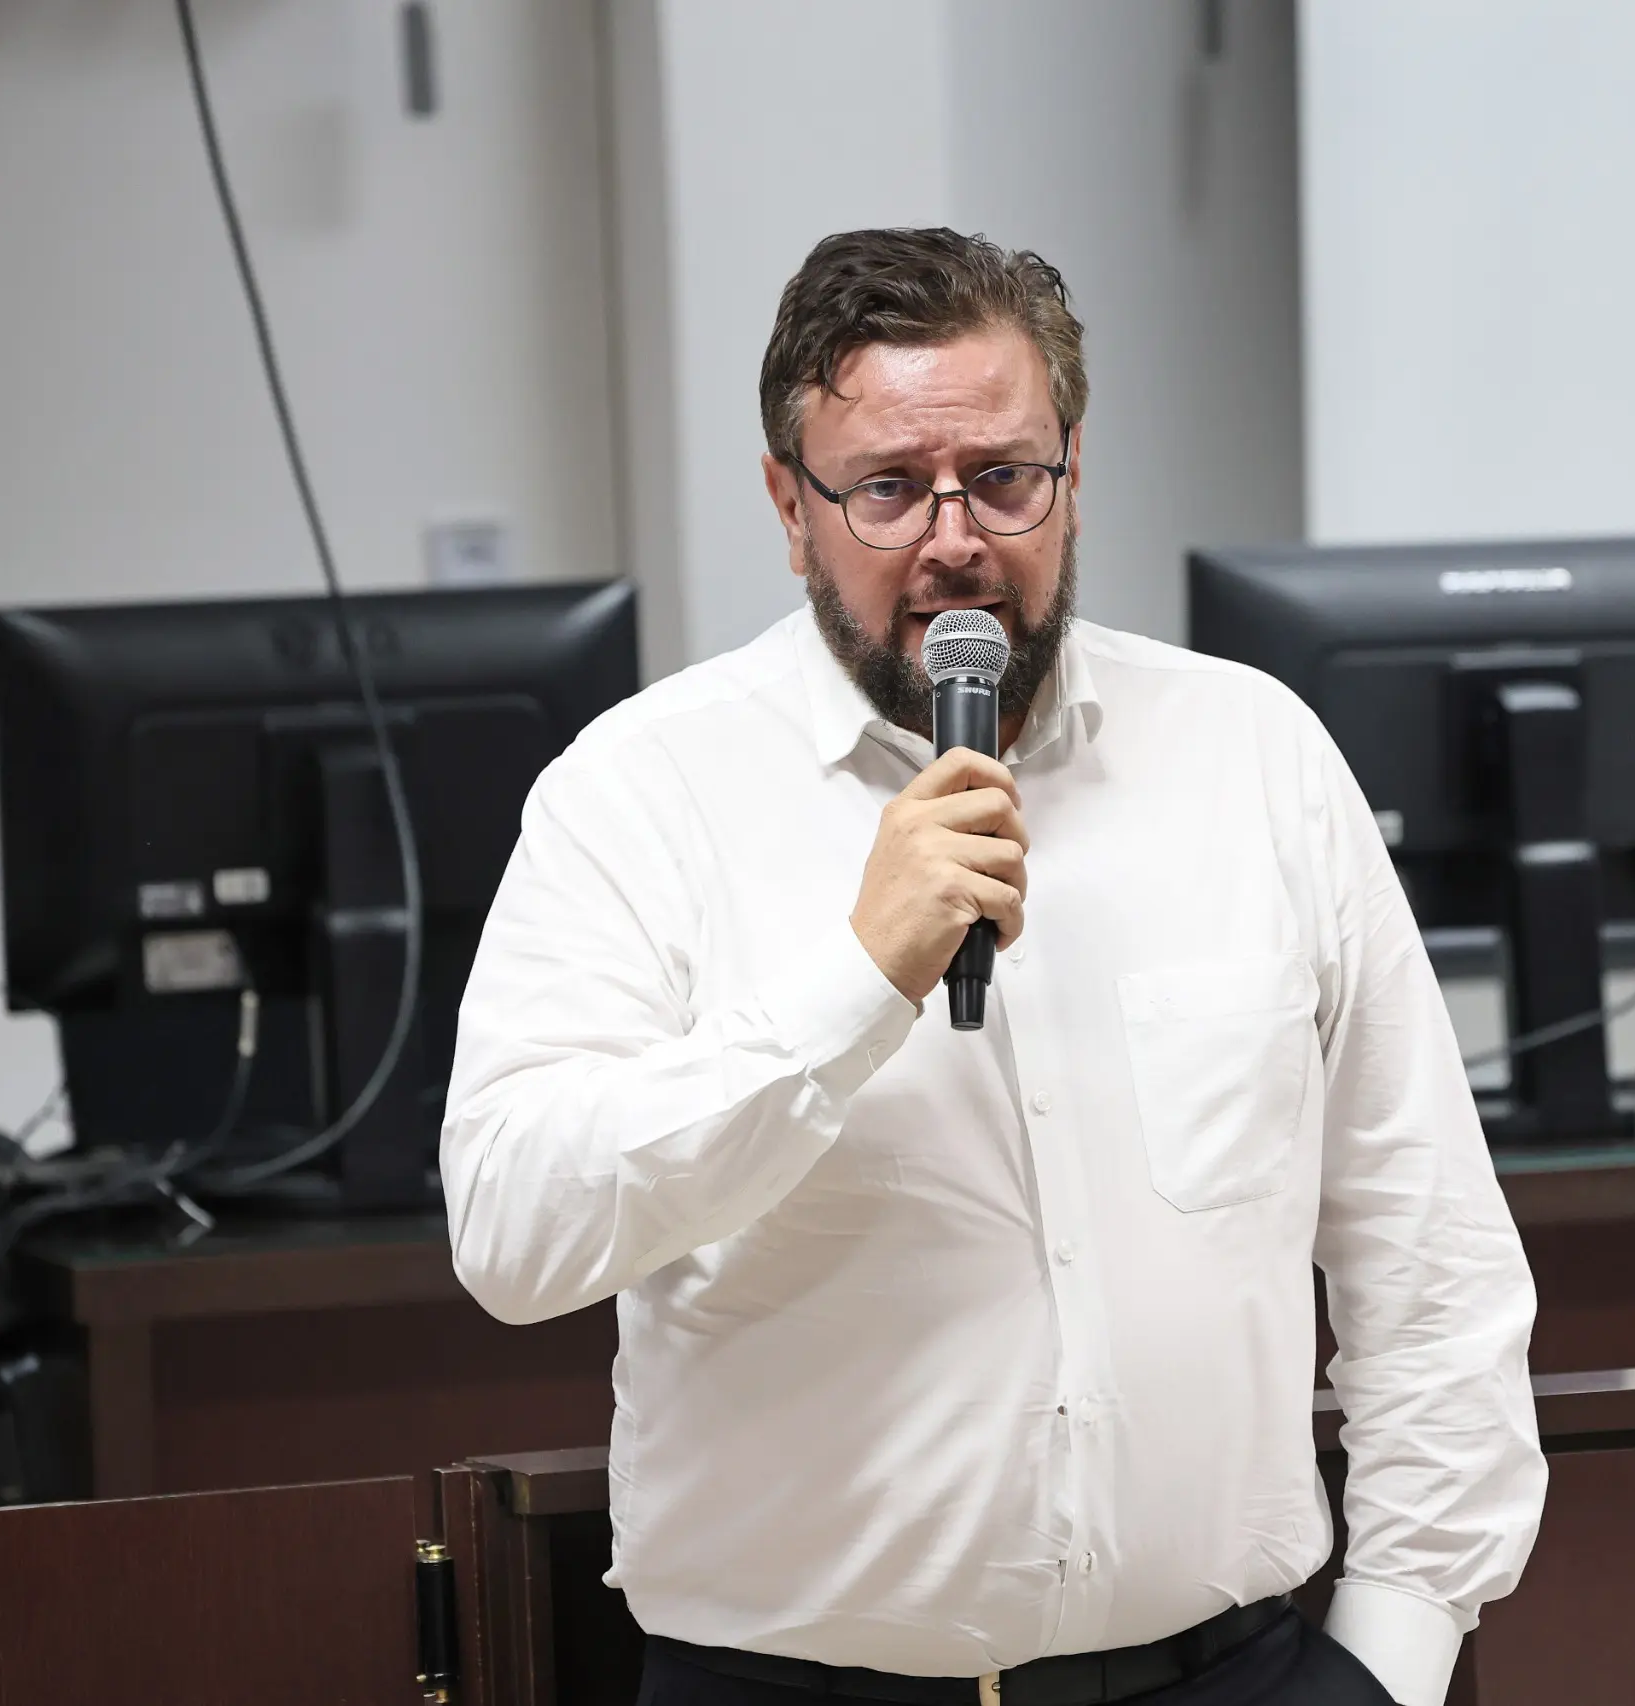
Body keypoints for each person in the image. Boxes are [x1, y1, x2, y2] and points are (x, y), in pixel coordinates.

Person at [442, 227, 1543, 1706]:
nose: (955, 539)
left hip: (1233, 1673)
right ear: (791, 505)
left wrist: (1397, 1652)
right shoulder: (640, 792)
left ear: (1072, 478)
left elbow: (1431, 1258)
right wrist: (856, 983)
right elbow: (514, 1232)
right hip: (792, 1687)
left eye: (1004, 478)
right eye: (890, 488)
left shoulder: (1253, 754)